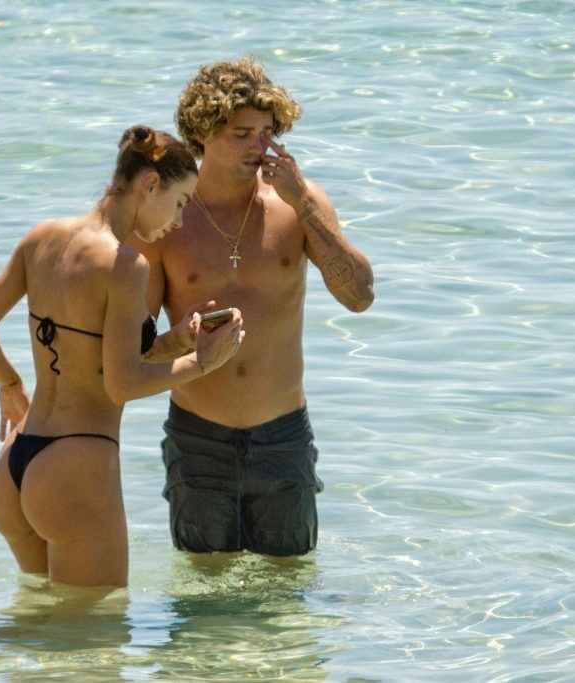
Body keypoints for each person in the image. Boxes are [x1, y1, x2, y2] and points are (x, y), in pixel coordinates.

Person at [0, 126, 245, 587]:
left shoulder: (42, 238)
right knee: (95, 630)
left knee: (39, 620)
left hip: (17, 461)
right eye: (178, 203)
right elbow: (121, 384)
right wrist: (203, 363)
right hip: (76, 465)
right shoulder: (125, 265)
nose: (178, 221)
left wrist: (9, 385)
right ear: (149, 184)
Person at [133, 58, 375, 558]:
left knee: (288, 589)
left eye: (267, 133)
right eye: (241, 134)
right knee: (203, 592)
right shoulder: (169, 219)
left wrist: (303, 204)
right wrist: (183, 339)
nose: (259, 147)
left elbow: (359, 297)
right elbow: (135, 349)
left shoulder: (299, 204)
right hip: (198, 437)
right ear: (201, 134)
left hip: (283, 434)